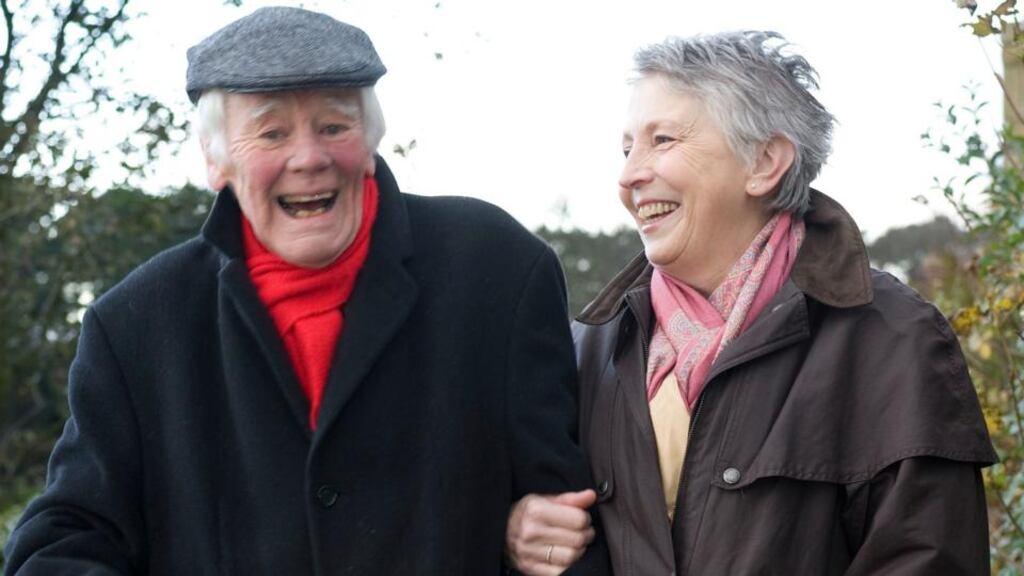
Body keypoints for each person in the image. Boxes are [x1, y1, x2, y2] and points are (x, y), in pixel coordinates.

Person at [4, 7, 609, 575]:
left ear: (370, 142)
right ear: (216, 161)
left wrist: (514, 538)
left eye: (334, 125)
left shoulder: (496, 268)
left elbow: (571, 517)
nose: (309, 157)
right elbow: (70, 533)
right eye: (271, 134)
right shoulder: (136, 324)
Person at [506, 30, 998, 575]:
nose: (628, 176)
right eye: (627, 148)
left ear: (764, 161)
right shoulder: (589, 349)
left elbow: (926, 561)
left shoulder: (891, 337)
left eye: (663, 140)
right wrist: (519, 532)